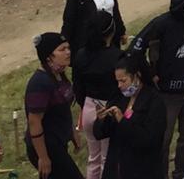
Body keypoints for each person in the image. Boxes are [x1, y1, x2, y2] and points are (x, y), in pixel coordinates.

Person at [127, 0, 184, 179]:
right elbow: (134, 51)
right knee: (162, 139)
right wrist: (149, 76)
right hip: (166, 95)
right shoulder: (161, 24)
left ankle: (182, 173)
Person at [93, 54, 166, 179]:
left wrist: (123, 121)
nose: (120, 85)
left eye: (123, 81)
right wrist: (101, 120)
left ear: (137, 76)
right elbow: (100, 134)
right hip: (117, 166)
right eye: (117, 81)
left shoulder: (154, 101)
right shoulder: (118, 98)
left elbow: (150, 139)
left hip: (143, 168)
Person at [25, 32, 81, 179]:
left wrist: (72, 131)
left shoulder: (59, 75)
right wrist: (43, 157)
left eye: (68, 48)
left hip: (58, 142)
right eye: (62, 50)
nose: (68, 52)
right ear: (48, 56)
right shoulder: (40, 83)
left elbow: (63, 108)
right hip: (46, 147)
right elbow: (34, 121)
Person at [72, 14, 122, 179]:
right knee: (108, 158)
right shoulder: (116, 56)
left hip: (88, 106)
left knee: (93, 157)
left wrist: (85, 104)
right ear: (111, 32)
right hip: (109, 108)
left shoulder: (81, 55)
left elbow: (77, 86)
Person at [61, 0, 125, 69]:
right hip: (89, 40)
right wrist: (64, 41)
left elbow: (115, 11)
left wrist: (122, 31)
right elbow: (69, 20)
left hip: (111, 36)